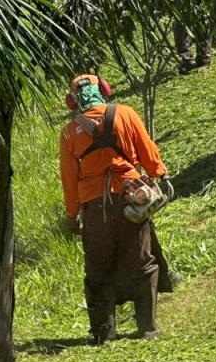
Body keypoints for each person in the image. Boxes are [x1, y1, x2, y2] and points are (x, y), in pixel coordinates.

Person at [59, 74, 172, 345]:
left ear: (73, 101)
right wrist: (161, 174)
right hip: (132, 198)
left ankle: (104, 332)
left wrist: (72, 214)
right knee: (142, 261)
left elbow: (69, 178)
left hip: (95, 207)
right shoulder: (125, 113)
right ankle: (147, 328)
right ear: (104, 90)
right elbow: (147, 150)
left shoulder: (68, 132)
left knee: (98, 268)